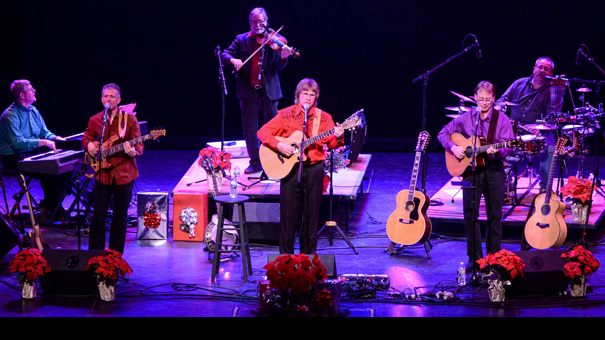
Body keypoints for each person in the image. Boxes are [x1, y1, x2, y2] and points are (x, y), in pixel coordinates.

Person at [257, 78, 344, 254]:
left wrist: (340, 135)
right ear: (298, 96)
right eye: (305, 94)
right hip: (290, 170)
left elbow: (332, 144)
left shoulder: (324, 117)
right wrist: (279, 145)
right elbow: (262, 132)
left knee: (311, 218)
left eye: (312, 95)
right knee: (288, 218)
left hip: (314, 169)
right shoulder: (285, 114)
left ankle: (308, 260)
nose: (308, 98)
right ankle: (285, 260)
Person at [438, 81, 515, 274]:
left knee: (494, 217)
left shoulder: (502, 119)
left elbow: (508, 146)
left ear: (494, 98)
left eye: (488, 99)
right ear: (475, 98)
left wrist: (496, 152)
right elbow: (443, 133)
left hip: (494, 170)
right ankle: (475, 260)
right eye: (480, 99)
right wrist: (453, 147)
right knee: (470, 216)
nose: (484, 103)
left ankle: (494, 258)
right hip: (471, 171)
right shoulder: (467, 117)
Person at [221, 7, 295, 175]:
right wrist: (233, 60)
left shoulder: (274, 40)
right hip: (248, 91)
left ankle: (273, 162)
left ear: (266, 22)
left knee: (273, 128)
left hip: (269, 90)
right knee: (249, 129)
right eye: (254, 22)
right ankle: (255, 162)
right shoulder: (241, 39)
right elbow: (224, 54)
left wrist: (283, 57)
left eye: (261, 21)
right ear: (250, 23)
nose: (257, 25)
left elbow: (277, 67)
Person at [83, 83, 143, 254]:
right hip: (102, 173)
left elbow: (139, 146)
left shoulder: (129, 119)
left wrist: (132, 151)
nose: (107, 99)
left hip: (124, 174)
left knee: (120, 217)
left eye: (111, 96)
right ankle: (94, 254)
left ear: (119, 99)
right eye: (105, 96)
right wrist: (90, 146)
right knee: (98, 217)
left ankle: (115, 256)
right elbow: (86, 138)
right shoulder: (95, 119)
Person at [495, 57, 564, 192]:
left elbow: (553, 114)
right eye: (540, 67)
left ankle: (545, 188)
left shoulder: (551, 90)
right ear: (534, 69)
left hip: (539, 131)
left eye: (547, 69)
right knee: (497, 145)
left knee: (551, 148)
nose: (542, 71)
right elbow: (503, 99)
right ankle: (504, 183)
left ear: (551, 74)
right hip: (514, 128)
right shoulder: (518, 83)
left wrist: (543, 125)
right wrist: (499, 107)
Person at [0, 79, 69, 214]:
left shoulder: (33, 110)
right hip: (13, 157)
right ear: (22, 95)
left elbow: (44, 132)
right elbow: (18, 143)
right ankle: (52, 205)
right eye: (31, 89)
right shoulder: (9, 116)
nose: (34, 91)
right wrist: (43, 142)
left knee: (65, 165)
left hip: (31, 152)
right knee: (48, 167)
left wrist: (57, 139)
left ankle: (52, 204)